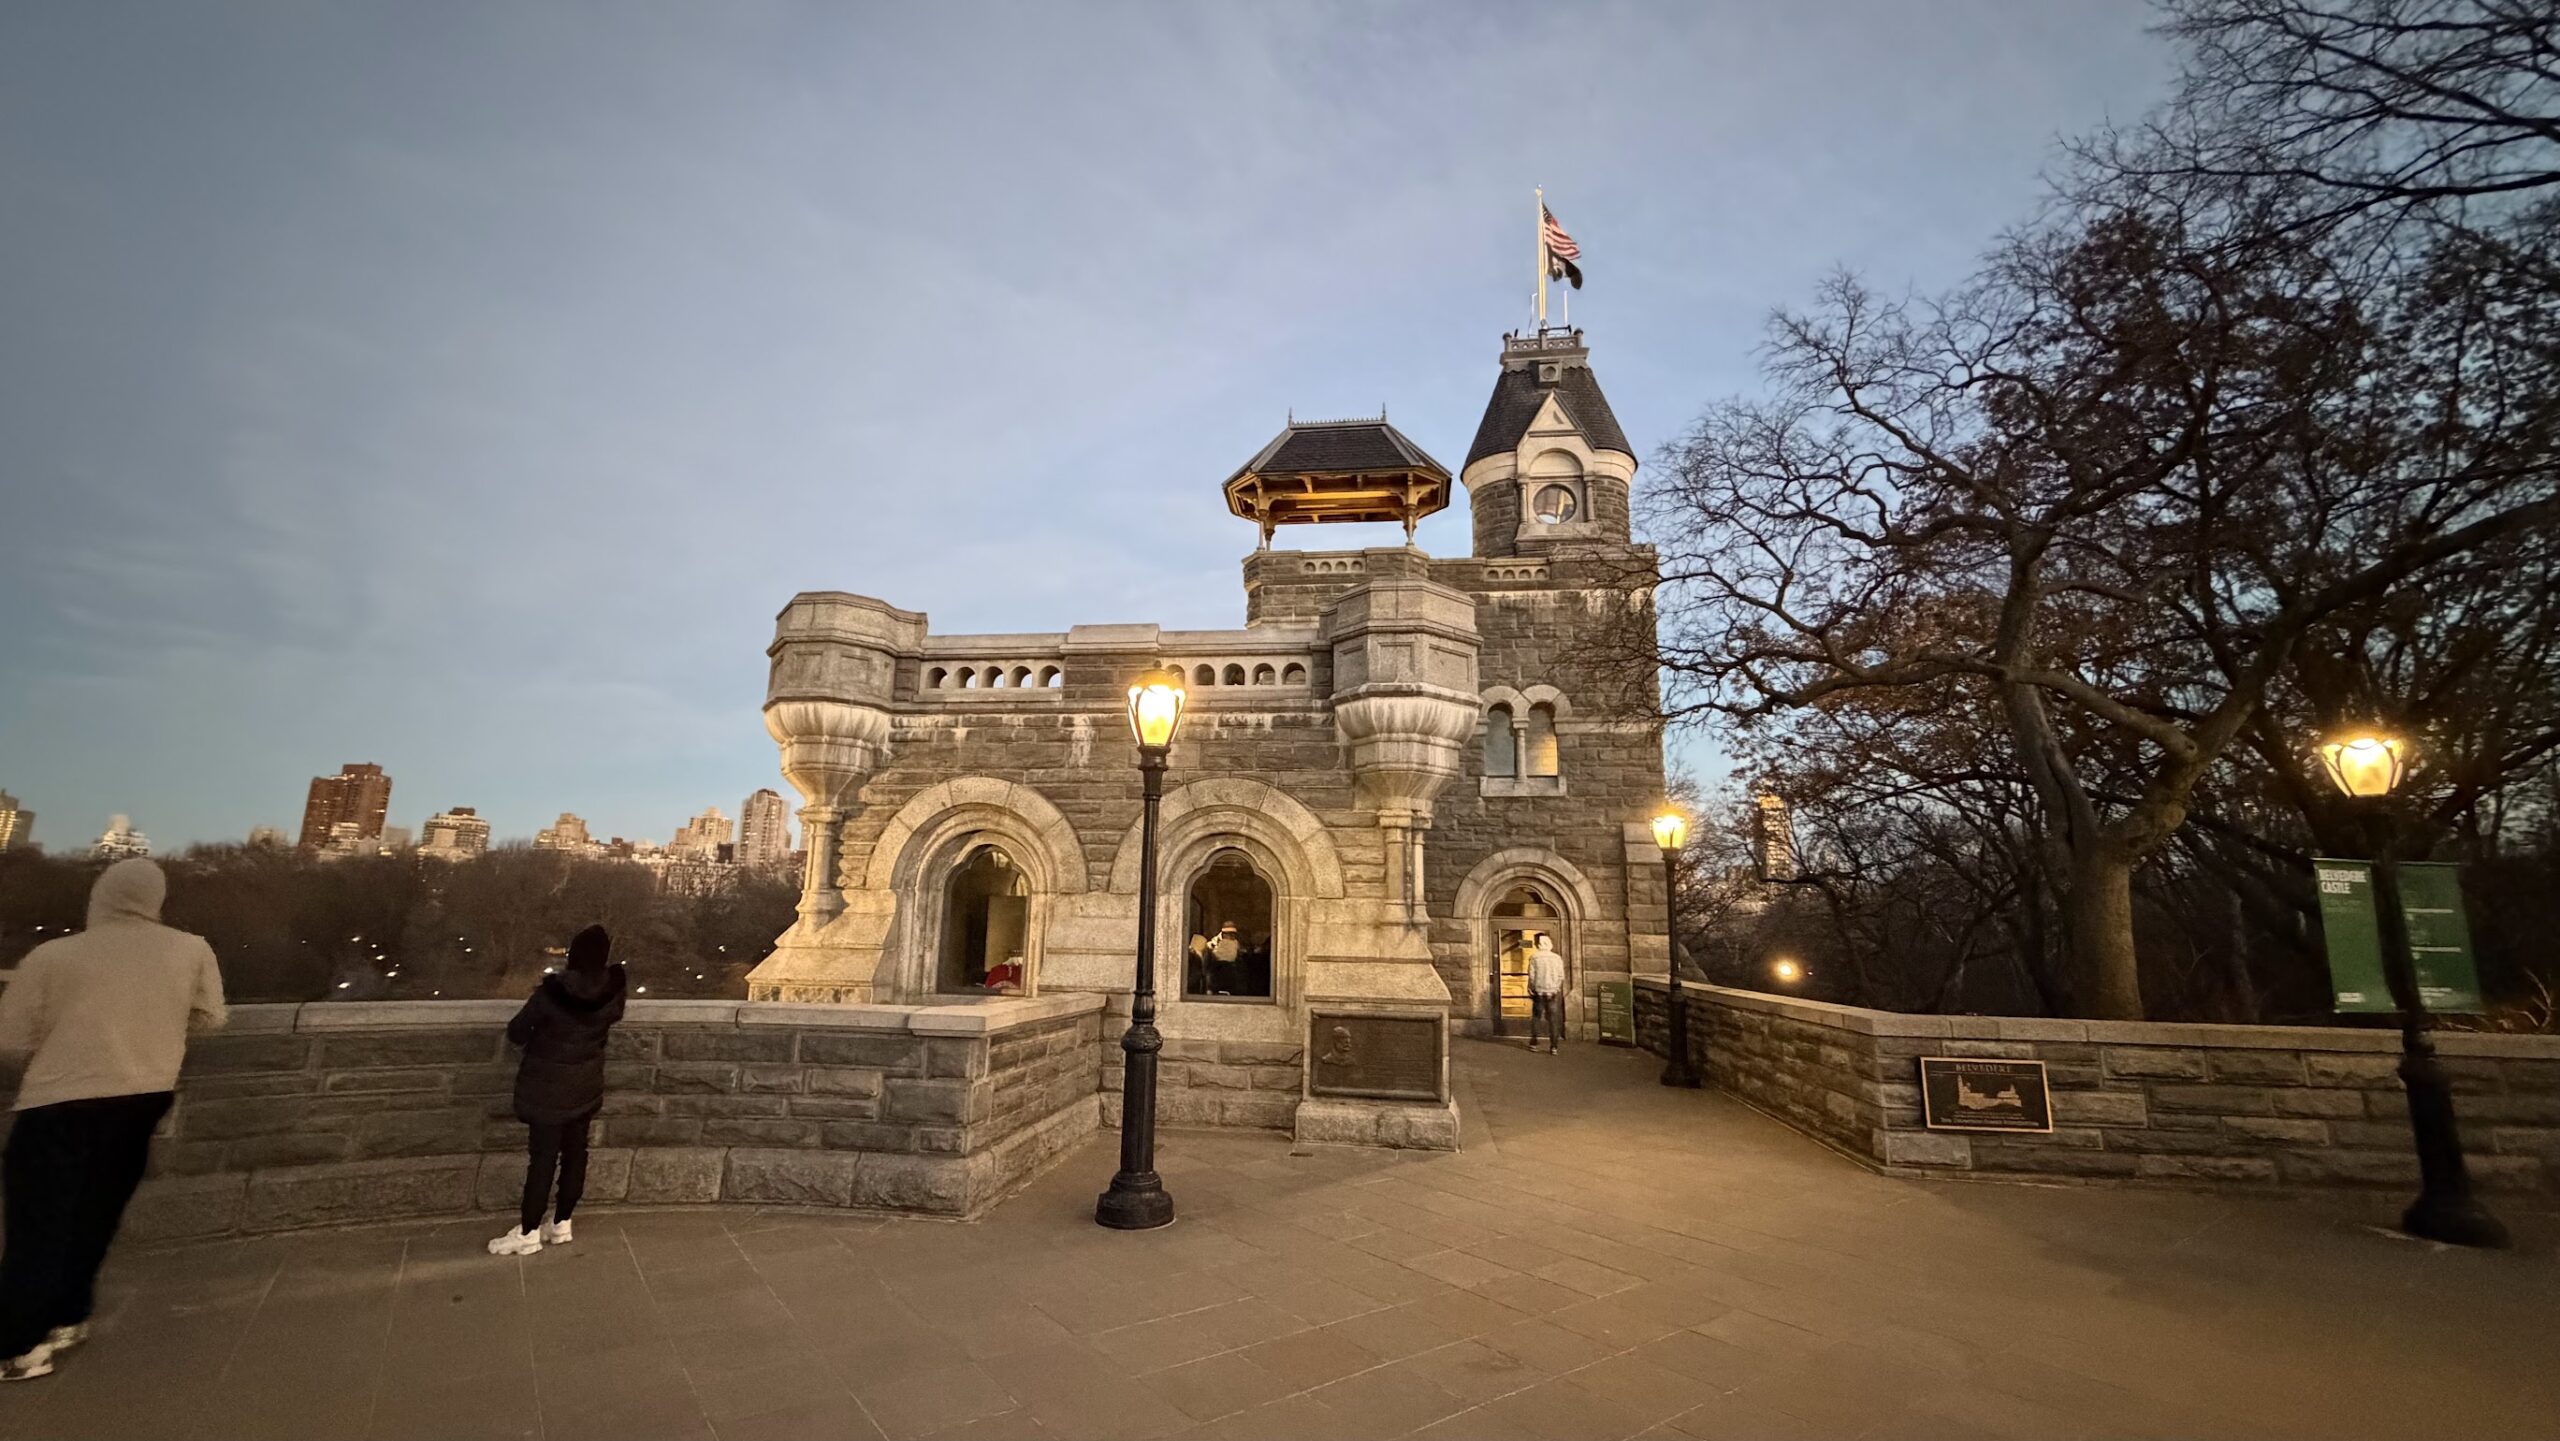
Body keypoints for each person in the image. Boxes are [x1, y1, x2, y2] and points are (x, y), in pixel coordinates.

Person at [0, 859, 227, 1381]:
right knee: (96, 1213)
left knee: (39, 1221)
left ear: (99, 896)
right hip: (143, 1096)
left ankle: (20, 1344)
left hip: (58, 1100)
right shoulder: (191, 950)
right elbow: (212, 1018)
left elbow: (11, 1040)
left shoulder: (53, 955)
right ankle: (69, 1315)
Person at [489, 924, 625, 1257]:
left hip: (546, 1088)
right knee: (576, 1154)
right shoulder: (613, 992)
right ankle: (562, 1222)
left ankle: (528, 1232)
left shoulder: (553, 994)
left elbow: (517, 1031)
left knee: (543, 1159)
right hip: (585, 1085)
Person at [1527, 933, 1566, 1054]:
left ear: (1539, 944)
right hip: (1552, 992)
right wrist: (1556, 987)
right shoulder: (1557, 958)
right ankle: (1554, 1047)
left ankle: (1534, 1043)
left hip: (1538, 992)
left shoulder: (1534, 957)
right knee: (1553, 1019)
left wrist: (1531, 987)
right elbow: (1561, 976)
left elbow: (1532, 976)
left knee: (1536, 1017)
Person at [1209, 922, 1242, 995]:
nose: (1230, 936)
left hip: (1227, 967)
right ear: (1223, 934)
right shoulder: (1217, 941)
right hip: (1220, 967)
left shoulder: (1235, 942)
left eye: (1232, 934)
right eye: (1228, 934)